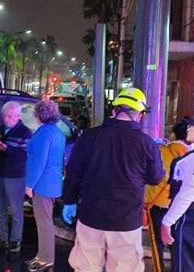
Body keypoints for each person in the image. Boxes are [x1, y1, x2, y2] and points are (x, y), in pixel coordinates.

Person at [62, 88, 164, 272]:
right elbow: (155, 178)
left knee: (86, 267)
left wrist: (69, 200)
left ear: (113, 111)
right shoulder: (146, 143)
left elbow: (73, 172)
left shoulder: (89, 137)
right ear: (139, 115)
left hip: (91, 217)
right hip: (125, 221)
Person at [161, 115, 194, 272]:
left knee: (185, 267)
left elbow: (189, 193)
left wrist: (167, 221)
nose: (189, 128)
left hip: (191, 219)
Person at [24, 100, 65, 271]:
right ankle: (42, 256)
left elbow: (38, 162)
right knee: (44, 221)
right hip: (53, 183)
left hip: (42, 184)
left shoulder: (43, 134)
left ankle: (46, 258)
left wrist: (29, 184)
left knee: (44, 222)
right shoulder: (58, 132)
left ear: (40, 115)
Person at [0, 101, 31, 253]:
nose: (7, 119)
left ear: (18, 116)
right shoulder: (0, 129)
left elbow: (24, 154)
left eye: (10, 116)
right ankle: (3, 238)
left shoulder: (25, 132)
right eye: (5, 116)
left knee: (16, 210)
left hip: (15, 175)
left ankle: (15, 241)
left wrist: (7, 149)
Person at [145, 118, 189, 267]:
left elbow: (151, 176)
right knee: (178, 244)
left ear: (174, 135)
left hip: (158, 204)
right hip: (183, 207)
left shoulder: (160, 151)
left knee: (158, 243)